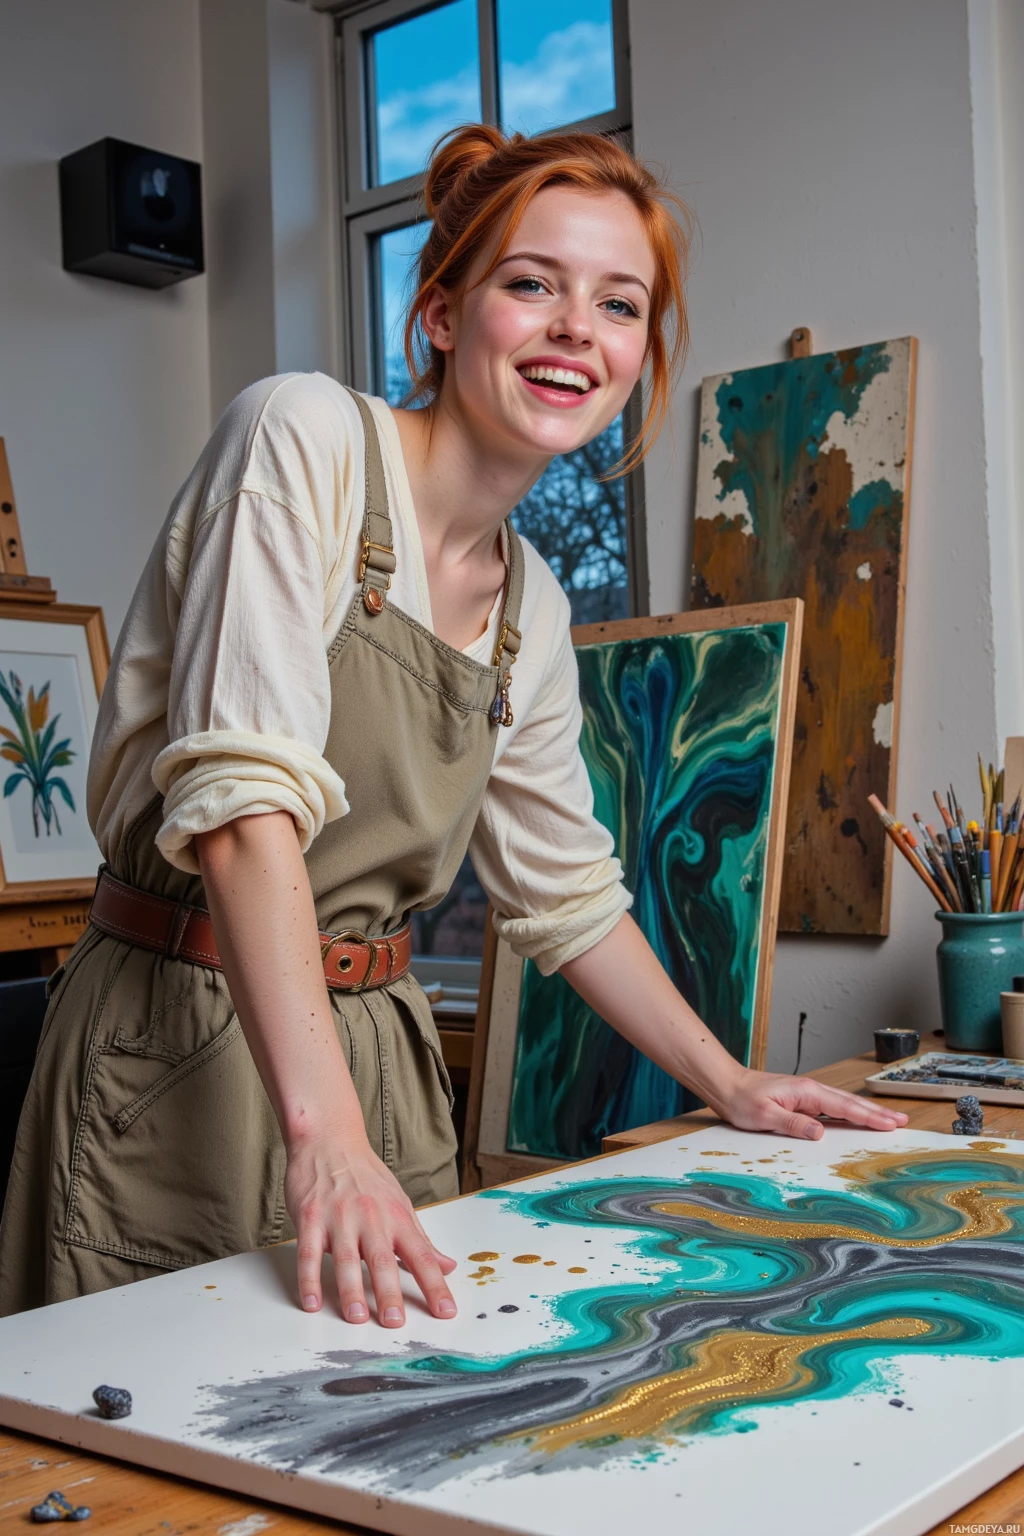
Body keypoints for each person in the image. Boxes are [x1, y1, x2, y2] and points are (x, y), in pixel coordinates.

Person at [0, 124, 906, 1324]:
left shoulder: (532, 596)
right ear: (439, 314)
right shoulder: (302, 437)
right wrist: (321, 1137)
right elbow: (239, 815)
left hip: (380, 1061)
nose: (578, 328)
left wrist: (731, 1084)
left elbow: (567, 899)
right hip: (173, 1049)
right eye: (532, 284)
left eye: (619, 304)